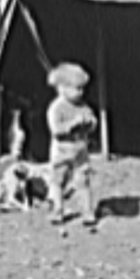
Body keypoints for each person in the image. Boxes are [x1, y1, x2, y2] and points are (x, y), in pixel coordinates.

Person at [46, 62, 98, 226]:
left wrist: (90, 122)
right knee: (58, 181)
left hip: (80, 151)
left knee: (83, 181)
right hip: (62, 152)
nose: (81, 93)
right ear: (62, 88)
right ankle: (58, 210)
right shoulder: (56, 108)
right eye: (77, 88)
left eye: (83, 88)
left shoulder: (83, 106)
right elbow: (56, 130)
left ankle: (88, 212)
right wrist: (72, 125)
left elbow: (93, 122)